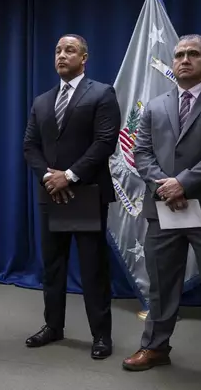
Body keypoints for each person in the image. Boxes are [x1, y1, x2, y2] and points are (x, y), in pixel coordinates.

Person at [123, 34, 201, 390]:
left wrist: (184, 183)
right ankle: (155, 347)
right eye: (179, 54)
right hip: (164, 207)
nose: (184, 60)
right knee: (161, 285)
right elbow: (142, 153)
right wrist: (164, 185)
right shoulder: (155, 106)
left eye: (193, 54)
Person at [22, 34, 121, 359]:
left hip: (87, 193)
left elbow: (105, 141)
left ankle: (101, 336)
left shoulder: (102, 93)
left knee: (93, 269)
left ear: (84, 57)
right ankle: (53, 326)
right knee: (52, 266)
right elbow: (30, 146)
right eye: (58, 51)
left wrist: (70, 175)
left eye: (70, 50)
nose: (62, 55)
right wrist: (49, 176)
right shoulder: (41, 100)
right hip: (51, 192)